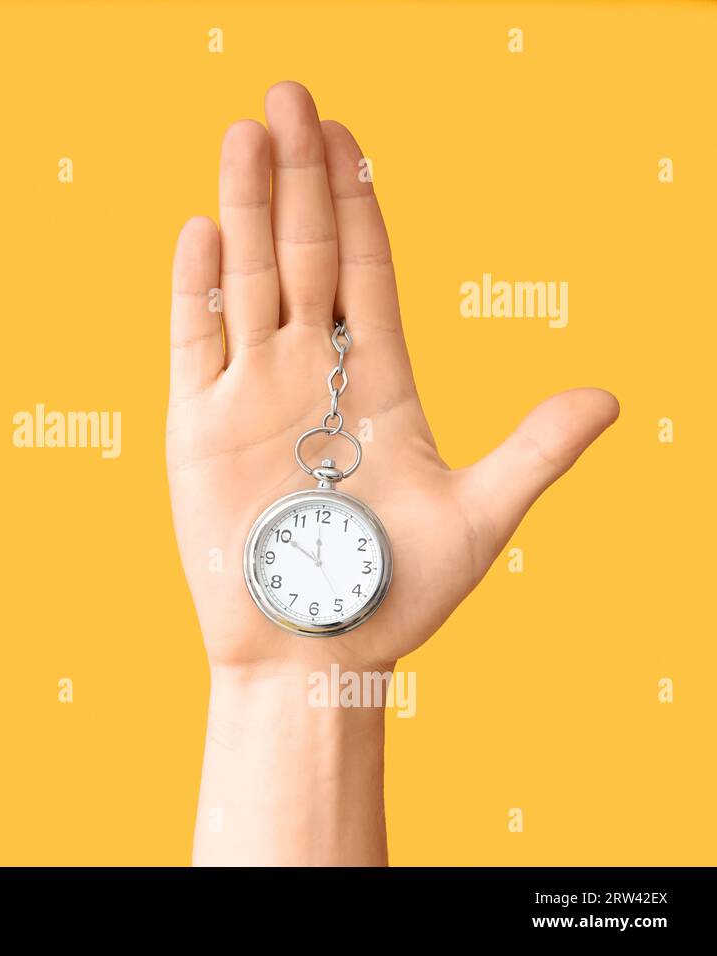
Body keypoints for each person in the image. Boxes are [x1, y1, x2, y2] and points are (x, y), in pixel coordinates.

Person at [165, 80, 619, 866]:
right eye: (302, 554)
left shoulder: (338, 546)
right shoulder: (297, 552)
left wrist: (296, 686)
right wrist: (283, 681)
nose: (309, 555)